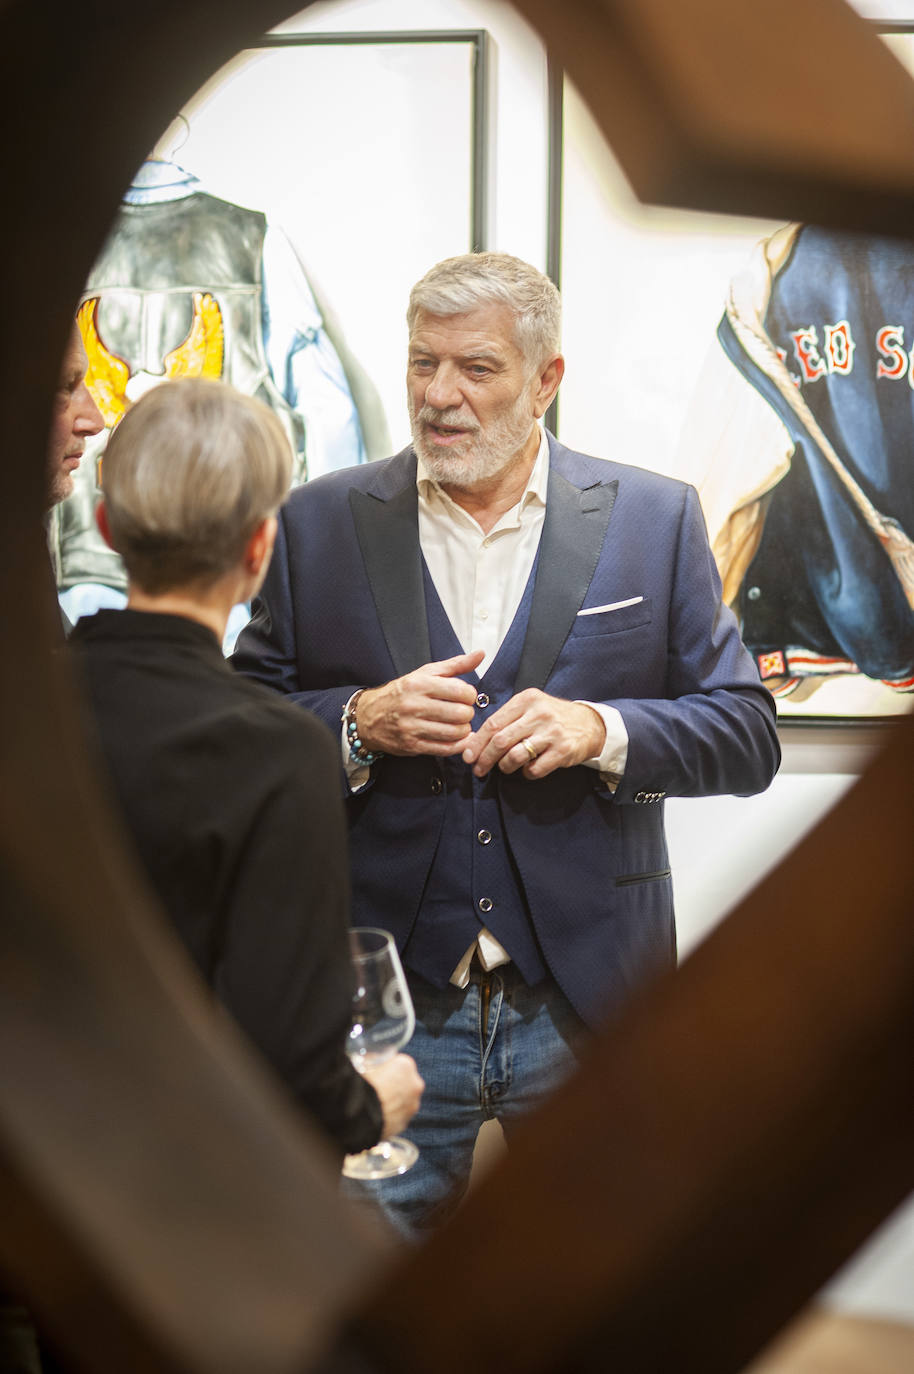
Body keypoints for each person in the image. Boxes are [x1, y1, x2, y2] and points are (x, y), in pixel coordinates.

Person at [231, 251, 781, 1236]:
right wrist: (358, 724)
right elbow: (241, 732)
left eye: (474, 368)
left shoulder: (652, 519)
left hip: (589, 1003)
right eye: (420, 363)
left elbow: (744, 733)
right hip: (385, 1012)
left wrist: (602, 730)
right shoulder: (317, 523)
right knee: (368, 1300)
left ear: (545, 381)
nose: (438, 396)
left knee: (605, 1289)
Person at [67, 378, 422, 1160]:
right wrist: (372, 1106)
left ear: (106, 527)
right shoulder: (274, 750)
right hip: (173, 1180)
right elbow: (292, 1066)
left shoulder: (29, 701)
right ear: (258, 551)